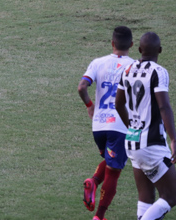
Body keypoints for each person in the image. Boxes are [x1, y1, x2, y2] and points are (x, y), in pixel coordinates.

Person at [116, 32, 176, 220]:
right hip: (151, 145)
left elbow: (118, 104)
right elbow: (163, 106)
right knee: (170, 197)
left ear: (138, 49)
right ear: (160, 50)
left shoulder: (127, 70)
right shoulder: (158, 72)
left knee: (146, 199)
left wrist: (132, 126)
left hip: (132, 141)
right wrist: (174, 140)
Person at [78, 26, 136, 220]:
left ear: (112, 43)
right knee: (114, 171)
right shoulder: (135, 66)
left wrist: (89, 105)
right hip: (120, 126)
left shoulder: (97, 62)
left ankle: (94, 181)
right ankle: (99, 216)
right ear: (131, 44)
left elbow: (81, 87)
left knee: (111, 161)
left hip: (99, 126)